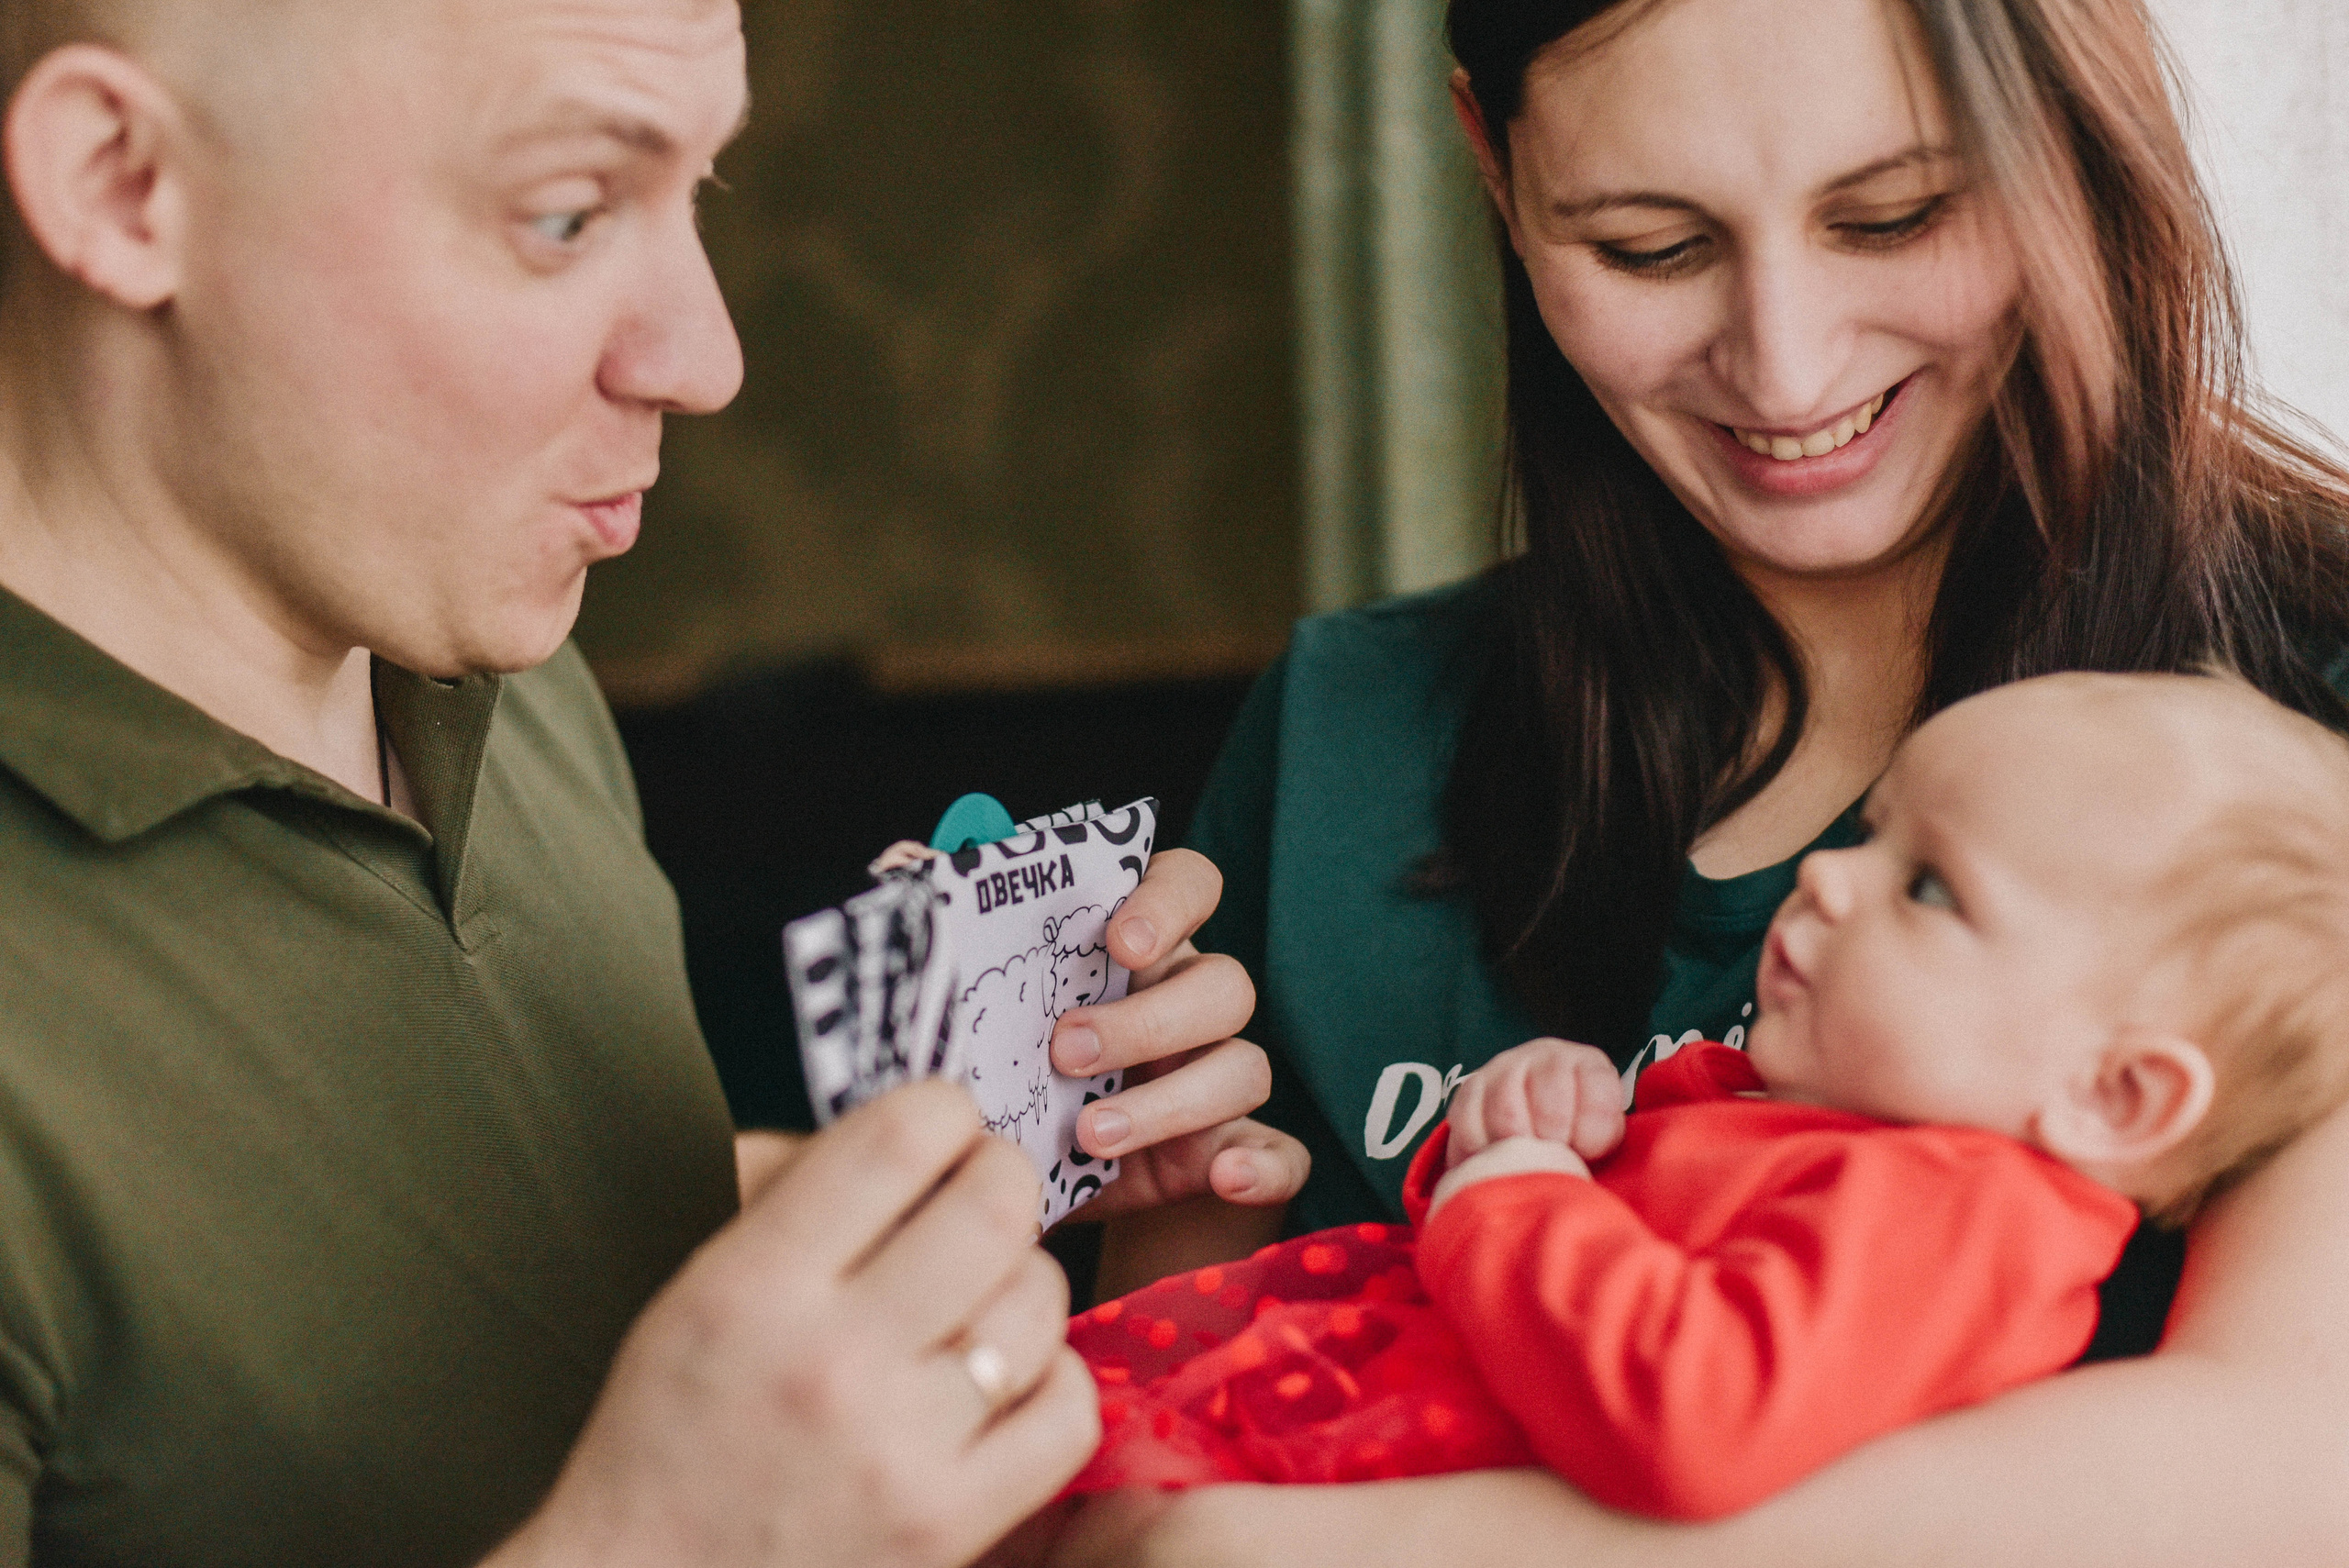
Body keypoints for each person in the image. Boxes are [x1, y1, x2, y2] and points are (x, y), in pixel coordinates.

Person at [0, 0, 1302, 1562]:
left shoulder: (508, 676)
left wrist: (1022, 1215)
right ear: (123, 183)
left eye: (699, 191)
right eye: (564, 215)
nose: (707, 359)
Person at [1071, 0, 2349, 1562]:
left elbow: (2283, 1468)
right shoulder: (1354, 733)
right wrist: (1164, 1192)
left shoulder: (2305, 769)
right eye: (1651, 248)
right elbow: (1164, 1431)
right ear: (1495, 167)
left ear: (2071, 143)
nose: (1788, 361)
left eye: (1895, 216)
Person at [1055, 673, 2349, 1524]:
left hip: (1339, 1481)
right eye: (1874, 834)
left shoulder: (1965, 1220)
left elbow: (1698, 1409)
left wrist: (1517, 1191)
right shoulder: (1810, 1117)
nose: (1833, 880)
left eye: (1931, 887)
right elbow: (1556, 1209)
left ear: (2116, 1094)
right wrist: (1528, 1120)